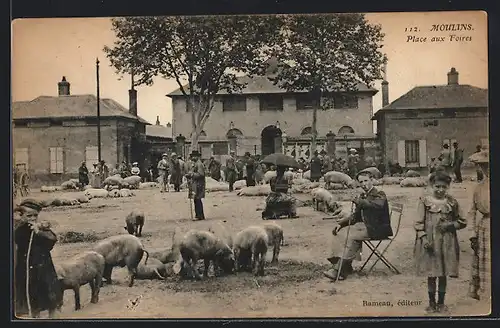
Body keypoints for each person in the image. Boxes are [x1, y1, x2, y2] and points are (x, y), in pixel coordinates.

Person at [323, 171, 393, 281]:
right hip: (366, 227)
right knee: (340, 232)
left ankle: (338, 270)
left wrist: (359, 201)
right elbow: (355, 216)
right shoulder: (363, 196)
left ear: (372, 180)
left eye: (366, 181)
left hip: (378, 229)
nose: (364, 184)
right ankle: (344, 266)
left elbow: (375, 206)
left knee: (352, 236)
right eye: (361, 182)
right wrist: (341, 224)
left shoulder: (380, 194)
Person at [414, 171, 467, 313]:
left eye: (444, 187)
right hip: (430, 243)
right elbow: (418, 223)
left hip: (446, 243)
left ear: (448, 187)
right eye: (437, 186)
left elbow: (462, 221)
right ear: (431, 185)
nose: (440, 190)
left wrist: (449, 225)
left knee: (443, 272)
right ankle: (431, 302)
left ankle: (441, 302)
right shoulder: (425, 201)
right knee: (432, 273)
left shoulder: (452, 202)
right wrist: (424, 239)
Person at [14, 199, 62, 318]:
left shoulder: (41, 229)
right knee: (31, 293)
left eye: (35, 215)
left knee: (49, 291)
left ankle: (52, 315)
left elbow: (52, 239)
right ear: (21, 215)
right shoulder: (19, 229)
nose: (33, 218)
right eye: (29, 215)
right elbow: (16, 240)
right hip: (26, 267)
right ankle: (35, 315)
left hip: (43, 265)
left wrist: (38, 232)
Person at [466, 149, 490, 301]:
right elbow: (472, 212)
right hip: (485, 228)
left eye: (488, 165)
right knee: (484, 260)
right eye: (483, 166)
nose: (487, 169)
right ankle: (486, 292)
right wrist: (472, 234)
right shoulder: (479, 188)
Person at [186, 150, 206, 220]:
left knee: (197, 199)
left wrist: (192, 174)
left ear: (197, 156)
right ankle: (198, 215)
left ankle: (200, 215)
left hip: (199, 184)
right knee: (196, 199)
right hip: (196, 183)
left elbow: (201, 174)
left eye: (194, 156)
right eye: (192, 156)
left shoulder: (199, 164)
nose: (193, 158)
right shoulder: (195, 163)